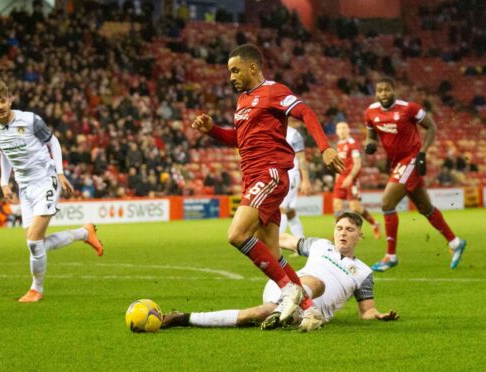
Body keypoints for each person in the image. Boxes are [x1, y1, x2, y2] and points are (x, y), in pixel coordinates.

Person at [191, 44, 345, 329]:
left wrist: (324, 148)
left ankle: (289, 290)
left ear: (253, 67)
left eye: (235, 70)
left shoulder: (274, 91)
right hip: (252, 177)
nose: (231, 76)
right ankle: (311, 311)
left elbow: (306, 113)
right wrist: (211, 130)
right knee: (272, 251)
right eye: (229, 71)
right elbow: (239, 139)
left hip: (269, 173)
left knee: (237, 234)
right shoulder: (243, 101)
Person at [161, 212, 399, 332]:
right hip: (285, 286)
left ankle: (183, 317)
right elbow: (282, 239)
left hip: (300, 310)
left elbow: (366, 311)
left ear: (360, 235)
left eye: (349, 229)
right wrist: (252, 230)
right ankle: (292, 304)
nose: (343, 233)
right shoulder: (319, 245)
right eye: (339, 228)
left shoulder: (364, 272)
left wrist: (379, 316)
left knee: (254, 314)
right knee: (316, 282)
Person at [0, 79, 104, 303]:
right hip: (24, 187)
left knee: (33, 242)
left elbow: (53, 141)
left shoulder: (29, 120)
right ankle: (84, 233)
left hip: (45, 180)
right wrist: (4, 181)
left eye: (2, 101)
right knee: (36, 242)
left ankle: (36, 289)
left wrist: (59, 173)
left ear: (9, 100)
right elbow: (4, 152)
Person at [364, 78, 466, 271]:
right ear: (376, 93)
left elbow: (431, 126)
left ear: (394, 90)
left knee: (386, 203)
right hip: (396, 163)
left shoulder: (409, 108)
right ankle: (455, 243)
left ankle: (390, 256)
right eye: (380, 91)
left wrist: (423, 152)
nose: (383, 94)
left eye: (387, 90)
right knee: (425, 207)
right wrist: (370, 145)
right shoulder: (371, 112)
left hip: (411, 158)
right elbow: (371, 136)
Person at [332, 121, 381, 238]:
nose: (342, 130)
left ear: (348, 130)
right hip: (341, 178)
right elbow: (339, 163)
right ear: (336, 131)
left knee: (355, 207)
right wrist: (337, 177)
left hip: (351, 179)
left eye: (344, 128)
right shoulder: (339, 144)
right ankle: (340, 234)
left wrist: (350, 177)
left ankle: (375, 224)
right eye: (339, 128)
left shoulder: (352, 144)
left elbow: (357, 164)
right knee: (337, 206)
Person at [279, 119, 311, 238]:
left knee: (280, 208)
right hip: (280, 175)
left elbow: (302, 159)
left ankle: (276, 244)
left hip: (291, 175)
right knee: (289, 211)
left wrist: (305, 180)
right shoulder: (272, 131)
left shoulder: (293, 134)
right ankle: (301, 243)